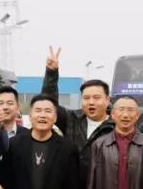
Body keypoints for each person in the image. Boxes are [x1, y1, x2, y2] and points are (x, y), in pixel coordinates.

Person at [41, 46, 115, 180]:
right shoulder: (71, 119)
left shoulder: (116, 126)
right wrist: (51, 73)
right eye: (86, 98)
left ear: (107, 99)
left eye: (96, 97)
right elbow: (49, 104)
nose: (91, 102)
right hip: (72, 185)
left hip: (103, 186)